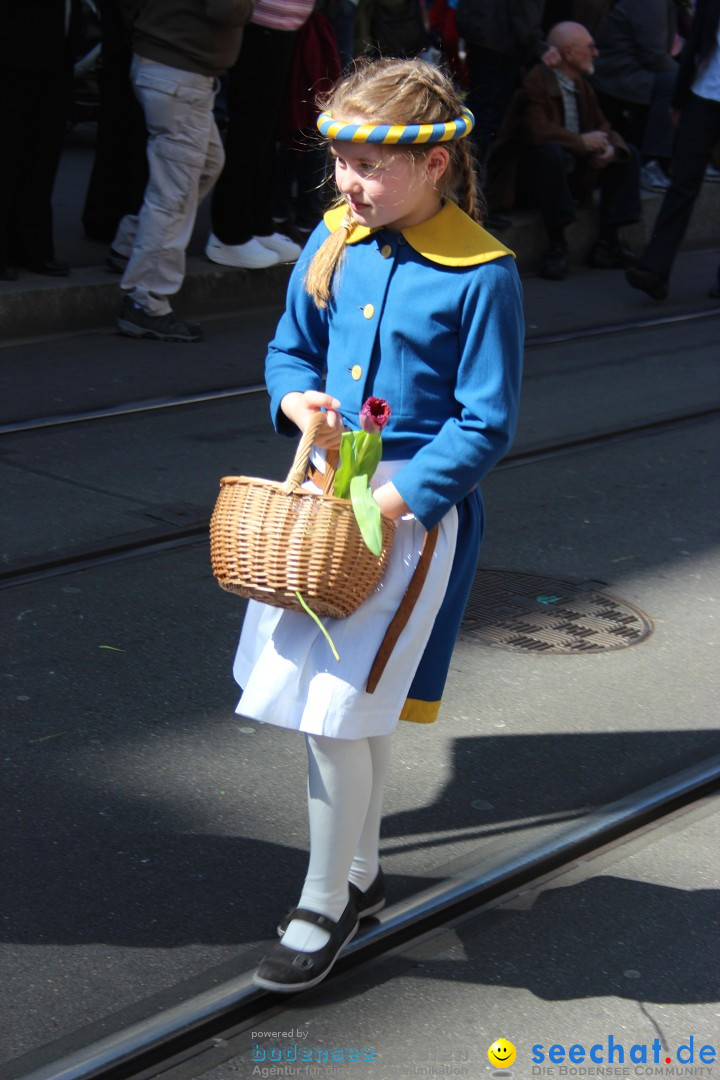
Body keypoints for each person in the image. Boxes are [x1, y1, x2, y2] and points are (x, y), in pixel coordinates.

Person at [228, 57, 524, 993]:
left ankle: (325, 901)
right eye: (343, 163)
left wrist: (391, 505)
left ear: (436, 164)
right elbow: (288, 350)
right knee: (348, 706)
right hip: (323, 496)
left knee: (333, 712)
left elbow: (486, 424)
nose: (351, 183)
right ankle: (357, 872)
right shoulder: (335, 238)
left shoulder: (483, 272)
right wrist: (297, 402)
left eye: (372, 166)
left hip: (403, 517)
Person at [112, 0, 252, 343]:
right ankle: (145, 300)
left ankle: (132, 245)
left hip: (168, 66)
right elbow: (228, 10)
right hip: (180, 72)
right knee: (174, 192)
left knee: (203, 166)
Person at [485, 20, 641, 280]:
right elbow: (537, 131)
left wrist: (610, 149)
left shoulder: (582, 85)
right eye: (590, 47)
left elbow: (603, 126)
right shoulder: (536, 80)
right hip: (529, 181)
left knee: (628, 154)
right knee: (549, 154)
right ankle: (558, 246)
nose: (596, 53)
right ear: (569, 52)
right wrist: (581, 142)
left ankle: (608, 242)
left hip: (570, 174)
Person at [204, 0, 314, 272]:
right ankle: (229, 232)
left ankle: (257, 224)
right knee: (250, 130)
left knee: (265, 133)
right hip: (261, 21)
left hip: (281, 24)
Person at [626, 0, 720, 301]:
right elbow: (695, 45)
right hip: (703, 95)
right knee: (682, 183)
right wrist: (679, 100)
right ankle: (654, 269)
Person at [0, 1, 78, 281]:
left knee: (42, 154)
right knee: (8, 151)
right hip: (13, 46)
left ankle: (32, 246)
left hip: (54, 47)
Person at [590, 0, 678, 193]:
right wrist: (686, 76)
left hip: (630, 71)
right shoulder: (650, 3)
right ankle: (652, 163)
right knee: (674, 83)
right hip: (616, 76)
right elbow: (654, 56)